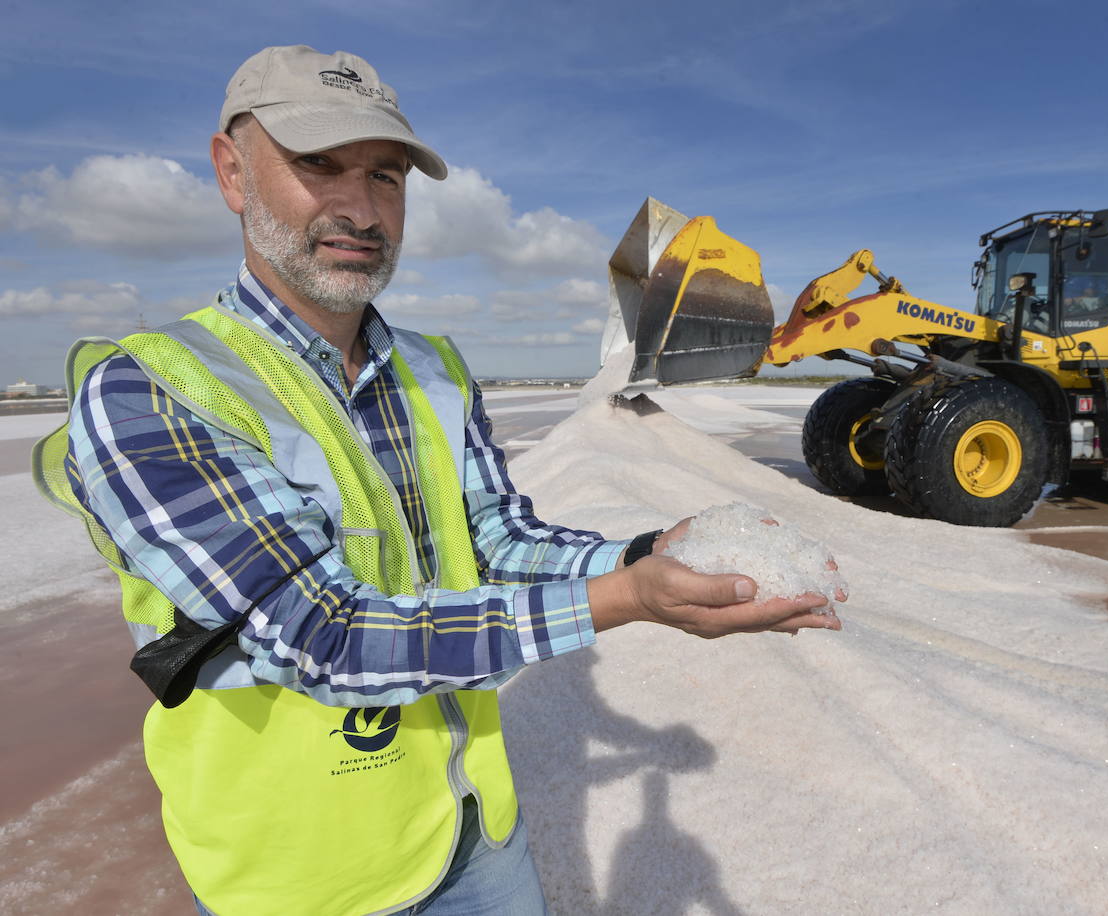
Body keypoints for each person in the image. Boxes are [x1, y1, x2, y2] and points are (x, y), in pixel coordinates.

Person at [37, 45, 841, 915]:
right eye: (318, 164)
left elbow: (498, 540)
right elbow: (323, 633)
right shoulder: (151, 387)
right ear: (232, 172)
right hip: (300, 877)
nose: (360, 207)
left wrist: (649, 551)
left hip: (470, 834)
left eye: (385, 176)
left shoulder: (434, 371)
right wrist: (626, 599)